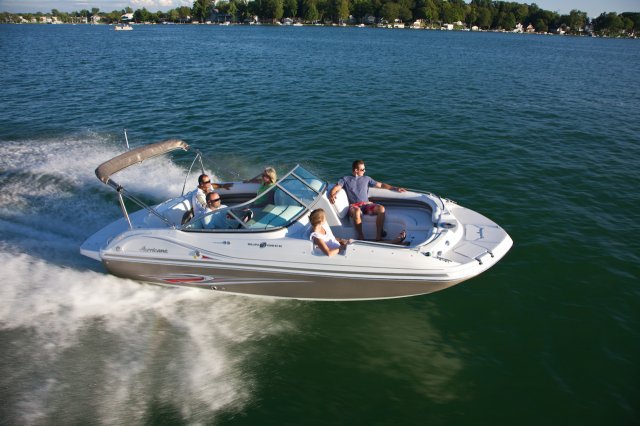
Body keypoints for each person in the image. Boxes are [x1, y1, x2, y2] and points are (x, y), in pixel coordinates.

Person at [328, 159, 406, 241]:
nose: (364, 171)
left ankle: (378, 236)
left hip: (366, 205)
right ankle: (361, 236)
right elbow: (337, 187)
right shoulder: (345, 179)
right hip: (354, 207)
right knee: (357, 211)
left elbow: (381, 184)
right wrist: (331, 194)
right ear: (356, 170)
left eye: (364, 169)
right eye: (362, 169)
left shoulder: (367, 178)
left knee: (381, 209)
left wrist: (395, 188)